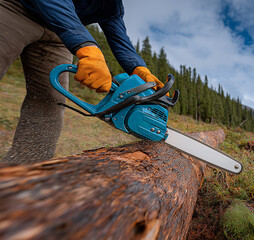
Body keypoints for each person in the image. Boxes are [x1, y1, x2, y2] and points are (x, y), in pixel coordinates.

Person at [0, 0, 163, 165]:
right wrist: (86, 46)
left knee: (50, 102)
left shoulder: (112, 6)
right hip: (17, 8)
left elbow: (120, 39)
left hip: (58, 34)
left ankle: (23, 171)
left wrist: (139, 68)